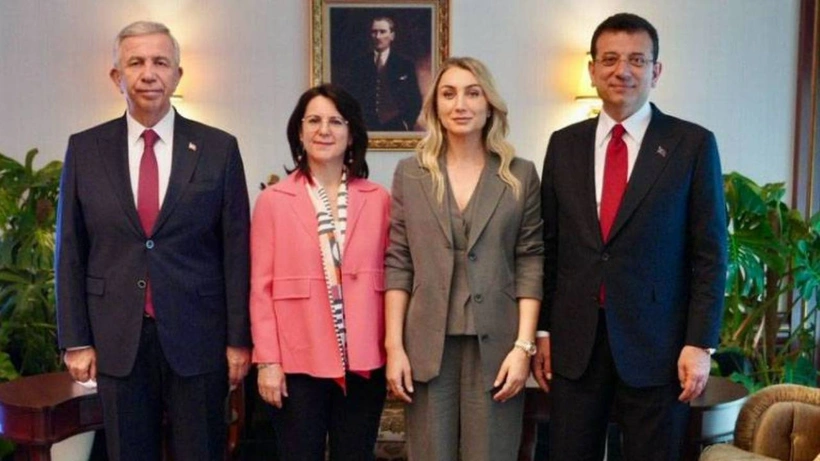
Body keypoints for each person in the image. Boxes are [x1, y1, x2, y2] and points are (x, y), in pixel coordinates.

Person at [533, 12, 727, 460]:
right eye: (610, 59)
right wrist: (544, 330)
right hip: (576, 345)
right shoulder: (563, 144)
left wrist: (700, 343)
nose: (622, 70)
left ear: (656, 71)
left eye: (637, 60)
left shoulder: (691, 145)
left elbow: (710, 254)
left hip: (659, 347)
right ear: (592, 69)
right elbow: (551, 247)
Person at [55, 21, 251, 461]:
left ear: (177, 74)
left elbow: (236, 251)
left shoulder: (218, 149)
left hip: (199, 337)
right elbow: (70, 251)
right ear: (116, 77)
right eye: (136, 63)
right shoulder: (85, 149)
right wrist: (76, 339)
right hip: (116, 338)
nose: (149, 73)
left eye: (160, 62)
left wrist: (239, 340)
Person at [385, 56, 544, 461]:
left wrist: (523, 347)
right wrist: (394, 346)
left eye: (473, 93)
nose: (461, 104)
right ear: (435, 106)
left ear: (489, 104)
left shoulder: (520, 175)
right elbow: (399, 263)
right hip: (426, 345)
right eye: (448, 94)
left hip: (499, 347)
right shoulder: (411, 174)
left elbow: (529, 261)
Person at [250, 84, 390, 461]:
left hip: (364, 359)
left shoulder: (379, 199)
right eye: (313, 120)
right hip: (296, 360)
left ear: (351, 134)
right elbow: (260, 289)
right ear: (299, 131)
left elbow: (397, 278)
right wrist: (268, 362)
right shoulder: (272, 201)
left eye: (335, 121)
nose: (323, 130)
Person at [343, 16, 422, 131]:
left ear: (392, 36)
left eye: (382, 32)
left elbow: (415, 100)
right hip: (365, 126)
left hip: (397, 126)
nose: (378, 36)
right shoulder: (358, 64)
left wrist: (406, 123)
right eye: (374, 32)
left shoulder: (405, 64)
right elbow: (349, 98)